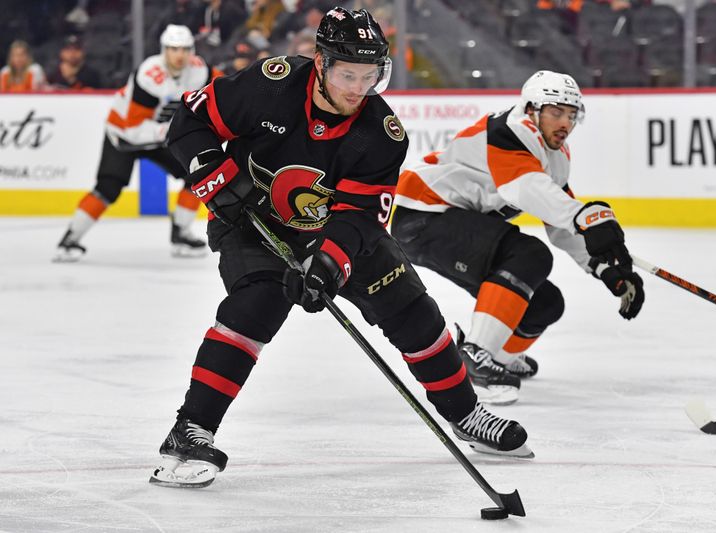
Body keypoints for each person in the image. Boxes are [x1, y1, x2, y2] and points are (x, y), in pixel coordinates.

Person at [149, 7, 533, 489]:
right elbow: (191, 118)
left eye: (369, 75)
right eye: (348, 74)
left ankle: (466, 414)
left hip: (337, 232)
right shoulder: (271, 84)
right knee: (256, 305)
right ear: (321, 64)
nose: (357, 87)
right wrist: (213, 175)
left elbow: (359, 217)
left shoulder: (382, 133)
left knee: (413, 311)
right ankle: (189, 432)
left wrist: (328, 262)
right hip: (252, 222)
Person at [391, 70, 645, 406]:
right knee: (529, 255)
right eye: (556, 112)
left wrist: (603, 268)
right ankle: (475, 357)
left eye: (571, 115)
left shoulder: (555, 154)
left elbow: (560, 223)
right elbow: (524, 188)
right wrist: (581, 216)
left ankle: (499, 357)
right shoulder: (509, 130)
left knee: (544, 303)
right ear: (531, 109)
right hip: (424, 216)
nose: (565, 123)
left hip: (450, 223)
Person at [54, 25, 218, 262]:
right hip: (125, 136)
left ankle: (181, 233)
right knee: (108, 188)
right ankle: (70, 239)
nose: (179, 55)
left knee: (198, 173)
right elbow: (134, 128)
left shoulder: (200, 70)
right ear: (164, 50)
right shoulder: (150, 75)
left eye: (184, 49)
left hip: (160, 134)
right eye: (173, 49)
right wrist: (177, 130)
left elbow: (224, 92)